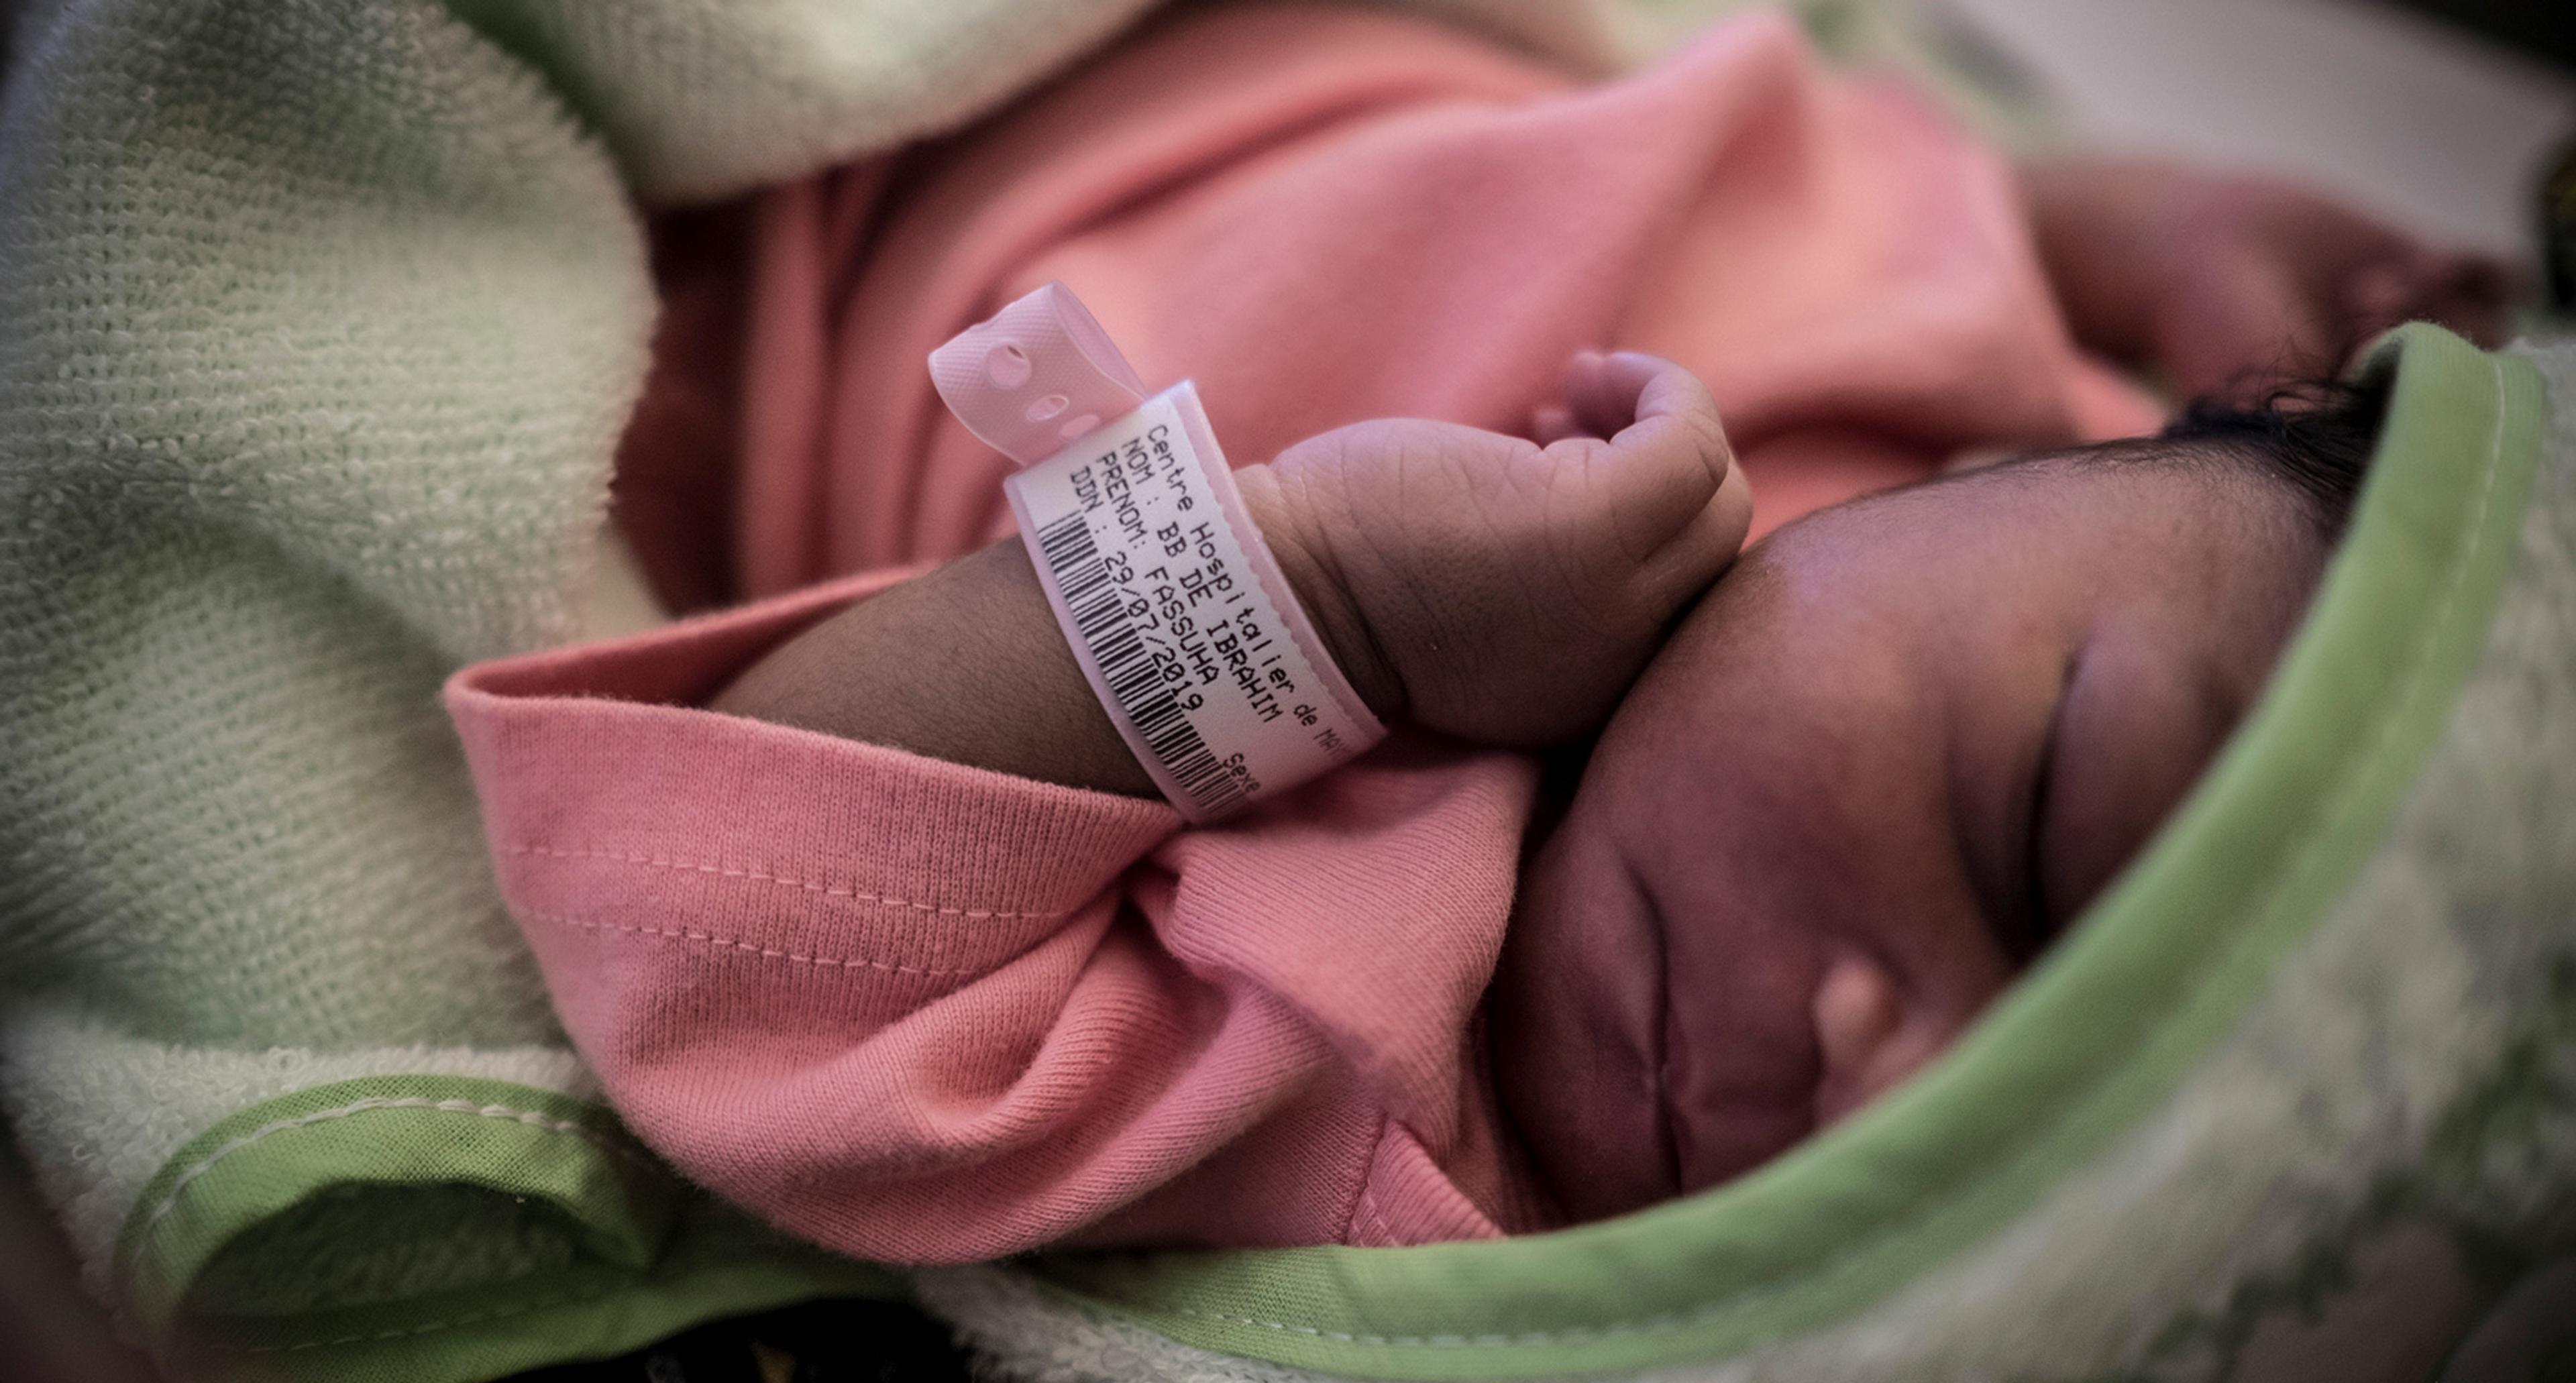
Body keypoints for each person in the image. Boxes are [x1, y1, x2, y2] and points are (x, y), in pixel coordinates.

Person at [445, 3, 2503, 1262]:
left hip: (831, 192)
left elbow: (724, 902)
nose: (1886, 1087)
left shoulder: (1380, 1074)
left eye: (2027, 1184)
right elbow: (1917, 176)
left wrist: (1319, 607)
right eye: (2028, 832)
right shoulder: (2061, 458)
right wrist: (2152, 231)